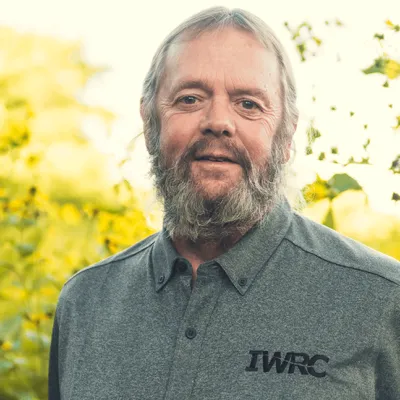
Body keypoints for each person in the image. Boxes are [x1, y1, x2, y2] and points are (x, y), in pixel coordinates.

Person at [48, 7, 400, 400]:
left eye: (248, 104)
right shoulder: (85, 301)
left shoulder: (382, 300)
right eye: (190, 98)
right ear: (150, 125)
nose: (218, 120)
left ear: (285, 138)